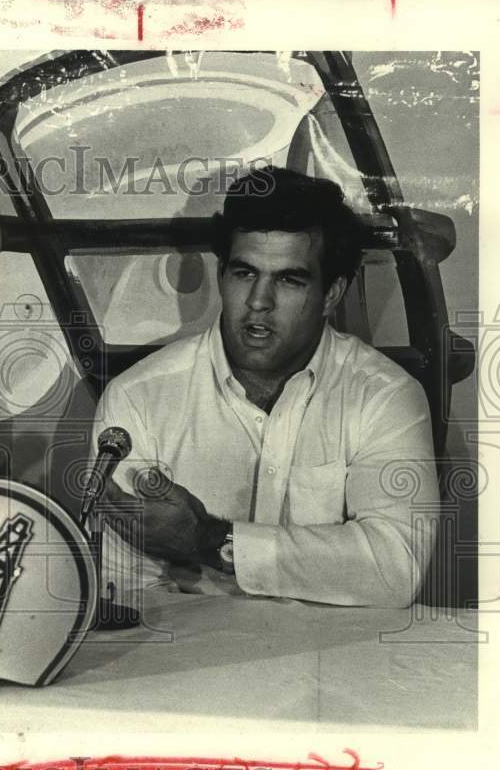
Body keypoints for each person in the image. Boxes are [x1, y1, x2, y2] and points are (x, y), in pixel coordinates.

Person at [94, 166, 438, 608]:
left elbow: (396, 569)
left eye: (289, 279)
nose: (259, 301)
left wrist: (211, 538)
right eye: (244, 273)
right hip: (190, 663)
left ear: (332, 293)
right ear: (221, 275)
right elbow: (123, 594)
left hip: (336, 663)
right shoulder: (136, 399)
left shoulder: (385, 396)